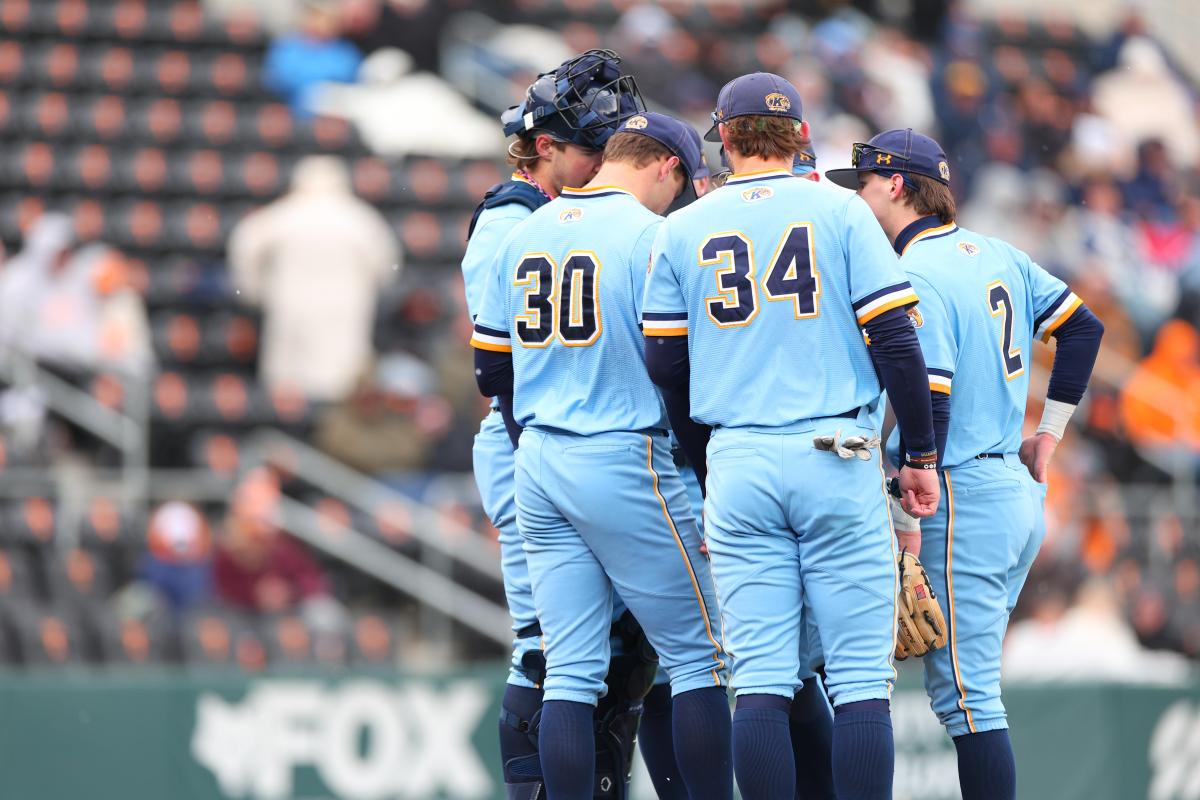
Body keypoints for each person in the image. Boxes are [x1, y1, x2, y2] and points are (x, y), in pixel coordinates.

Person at [644, 73, 941, 800]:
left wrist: (708, 461)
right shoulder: (839, 209)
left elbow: (664, 360)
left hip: (739, 455)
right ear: (800, 136)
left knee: (763, 681)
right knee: (861, 680)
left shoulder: (685, 225)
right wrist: (922, 458)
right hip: (833, 453)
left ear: (725, 137)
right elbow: (897, 341)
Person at [826, 128, 1104, 800]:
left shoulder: (915, 270)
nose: (856, 199)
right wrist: (1051, 433)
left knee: (970, 699)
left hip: (960, 496)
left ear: (895, 186)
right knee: (974, 689)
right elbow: (1083, 327)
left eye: (862, 184)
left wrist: (902, 494)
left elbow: (936, 393)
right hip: (1012, 486)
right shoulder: (996, 252)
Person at [473, 111, 731, 800]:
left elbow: (490, 372)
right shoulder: (653, 236)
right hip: (623, 452)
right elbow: (677, 364)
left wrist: (536, 438)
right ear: (666, 167)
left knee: (570, 671)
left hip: (540, 456)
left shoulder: (525, 230)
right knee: (701, 657)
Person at [459, 50, 655, 798]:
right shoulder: (514, 217)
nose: (606, 162)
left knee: (621, 655)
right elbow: (498, 360)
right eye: (590, 148)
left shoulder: (568, 215)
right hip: (530, 439)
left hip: (567, 436)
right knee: (548, 650)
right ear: (546, 146)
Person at [228, 156, 398, 403]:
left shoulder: (285, 213)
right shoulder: (359, 218)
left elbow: (244, 244)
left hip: (291, 304)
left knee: (287, 379)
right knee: (342, 374)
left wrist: (255, 291)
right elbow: (387, 265)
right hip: (344, 307)